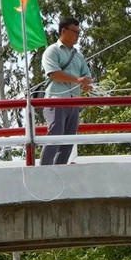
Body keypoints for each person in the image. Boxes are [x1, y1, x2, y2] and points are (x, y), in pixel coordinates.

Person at [38, 14, 92, 165]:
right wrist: (77, 80)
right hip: (56, 101)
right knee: (55, 135)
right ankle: (43, 170)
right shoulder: (52, 51)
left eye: (78, 32)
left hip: (74, 103)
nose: (77, 35)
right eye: (75, 32)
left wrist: (87, 84)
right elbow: (54, 73)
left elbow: (87, 76)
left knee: (68, 140)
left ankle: (60, 170)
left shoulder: (78, 56)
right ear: (64, 31)